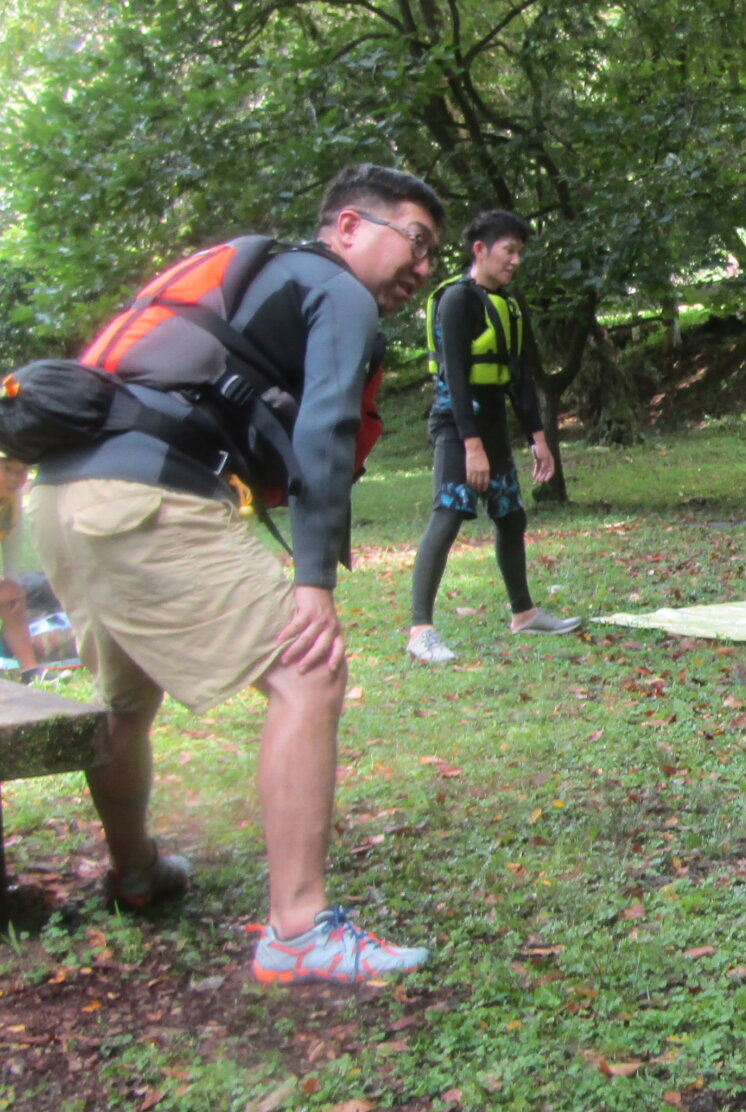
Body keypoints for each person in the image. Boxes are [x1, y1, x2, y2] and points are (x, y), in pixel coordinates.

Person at [27, 163, 442, 983]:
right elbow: (326, 427)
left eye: (435, 255)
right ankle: (297, 930)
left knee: (124, 700)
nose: (424, 268)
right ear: (349, 227)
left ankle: (136, 871)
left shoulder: (262, 276)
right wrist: (314, 581)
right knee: (308, 669)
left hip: (64, 499)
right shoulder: (341, 292)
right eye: (417, 241)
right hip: (148, 497)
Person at [406, 210, 579, 663]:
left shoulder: (509, 306)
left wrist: (538, 438)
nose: (516, 260)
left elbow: (520, 379)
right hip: (456, 425)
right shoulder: (457, 301)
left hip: (493, 426)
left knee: (511, 517)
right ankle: (420, 630)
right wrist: (472, 447)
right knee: (448, 515)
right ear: (480, 250)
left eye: (520, 252)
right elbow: (456, 379)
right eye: (510, 251)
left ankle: (525, 614)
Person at [0, 454, 40, 680]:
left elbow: (12, 545)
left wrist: (11, 582)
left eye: (22, 470)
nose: (16, 478)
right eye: (7, 469)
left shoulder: (11, 501)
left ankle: (31, 672)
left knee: (12, 597)